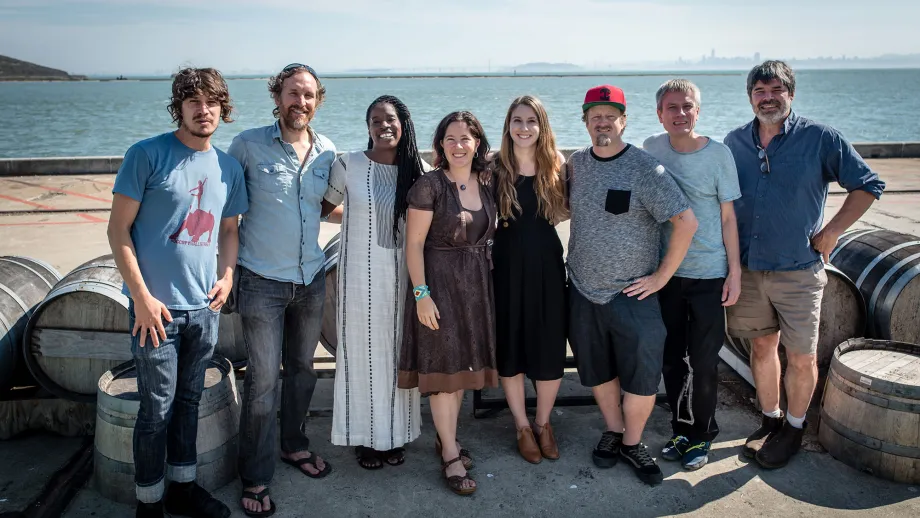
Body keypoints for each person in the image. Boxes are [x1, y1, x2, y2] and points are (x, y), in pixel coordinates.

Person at [723, 60, 885, 469]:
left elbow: (867, 185)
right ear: (750, 97)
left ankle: (794, 428)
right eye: (760, 91)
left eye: (777, 90)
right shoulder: (734, 141)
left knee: (801, 356)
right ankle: (770, 419)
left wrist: (830, 233)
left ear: (790, 94)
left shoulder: (820, 138)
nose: (768, 97)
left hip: (798, 270)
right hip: (750, 268)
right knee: (761, 347)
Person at [108, 67, 248, 518]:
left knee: (189, 402)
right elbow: (118, 231)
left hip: (204, 309)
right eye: (193, 101)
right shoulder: (146, 154)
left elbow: (229, 231)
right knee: (155, 411)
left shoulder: (228, 167)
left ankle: (184, 489)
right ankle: (148, 503)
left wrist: (227, 277)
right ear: (179, 107)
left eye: (211, 102)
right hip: (156, 312)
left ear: (223, 109)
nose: (203, 110)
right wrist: (143, 299)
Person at [566, 85, 698, 486]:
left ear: (623, 121)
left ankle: (633, 442)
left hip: (632, 293)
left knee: (642, 374)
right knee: (598, 370)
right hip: (584, 289)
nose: (602, 122)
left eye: (610, 115)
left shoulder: (645, 169)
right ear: (586, 122)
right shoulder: (574, 164)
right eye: (595, 116)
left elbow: (686, 222)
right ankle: (614, 430)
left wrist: (660, 277)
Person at [227, 63, 335, 517]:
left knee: (303, 370)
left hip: (310, 280)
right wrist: (226, 273)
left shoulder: (328, 151)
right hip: (260, 282)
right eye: (293, 93)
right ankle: (255, 474)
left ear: (318, 101)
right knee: (263, 381)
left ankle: (293, 443)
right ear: (277, 96)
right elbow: (227, 217)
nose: (301, 102)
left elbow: (328, 207)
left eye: (309, 95)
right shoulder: (247, 145)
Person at [323, 95, 428, 469]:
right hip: (358, 278)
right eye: (376, 120)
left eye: (391, 120)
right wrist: (357, 221)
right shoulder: (347, 165)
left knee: (398, 353)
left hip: (403, 277)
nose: (385, 126)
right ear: (368, 127)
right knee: (361, 356)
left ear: (404, 124)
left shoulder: (420, 171)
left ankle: (395, 435)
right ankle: (364, 439)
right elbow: (323, 207)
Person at [642, 79, 742, 471]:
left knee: (703, 362)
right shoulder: (651, 148)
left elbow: (729, 218)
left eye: (687, 107)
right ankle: (681, 430)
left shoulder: (718, 156)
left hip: (708, 275)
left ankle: (703, 435)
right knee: (672, 360)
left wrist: (734, 272)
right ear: (659, 114)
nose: (680, 114)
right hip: (665, 277)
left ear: (697, 112)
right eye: (672, 107)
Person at [398, 111, 498, 496]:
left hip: (475, 286)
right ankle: (450, 455)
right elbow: (414, 245)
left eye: (466, 138)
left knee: (460, 370)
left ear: (477, 143)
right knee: (444, 372)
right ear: (440, 144)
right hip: (438, 287)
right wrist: (421, 295)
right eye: (450, 138)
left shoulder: (485, 181)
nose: (458, 145)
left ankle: (447, 439)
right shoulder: (428, 186)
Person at [490, 95, 568, 464]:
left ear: (542, 126)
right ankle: (521, 425)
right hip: (504, 267)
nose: (524, 128)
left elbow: (568, 209)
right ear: (508, 125)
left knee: (550, 343)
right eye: (517, 120)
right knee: (511, 344)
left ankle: (543, 423)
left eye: (531, 121)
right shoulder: (493, 167)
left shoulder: (556, 164)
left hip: (548, 266)